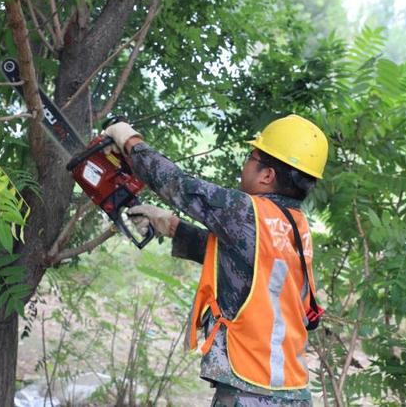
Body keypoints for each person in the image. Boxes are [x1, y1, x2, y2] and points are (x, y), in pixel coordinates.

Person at [104, 115, 328, 406]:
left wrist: (129, 141)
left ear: (267, 175)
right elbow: (245, 266)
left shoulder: (247, 211)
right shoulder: (294, 225)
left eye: (252, 156)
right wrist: (172, 227)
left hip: (251, 387)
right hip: (291, 389)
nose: (245, 163)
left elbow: (178, 185)